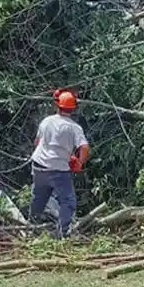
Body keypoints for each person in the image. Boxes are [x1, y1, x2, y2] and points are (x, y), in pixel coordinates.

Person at [29, 89, 90, 238]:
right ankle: (63, 232)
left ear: (57, 105)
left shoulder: (47, 121)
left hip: (38, 165)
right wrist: (80, 162)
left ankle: (31, 226)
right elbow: (84, 147)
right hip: (58, 170)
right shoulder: (74, 127)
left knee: (39, 196)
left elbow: (38, 142)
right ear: (73, 108)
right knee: (68, 201)